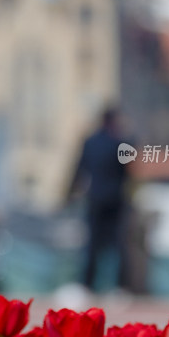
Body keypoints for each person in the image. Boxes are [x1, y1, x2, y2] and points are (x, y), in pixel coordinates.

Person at [67, 107, 132, 291]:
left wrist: (68, 195)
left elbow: (78, 169)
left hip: (94, 198)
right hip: (115, 200)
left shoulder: (90, 142)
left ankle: (87, 284)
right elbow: (128, 168)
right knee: (118, 244)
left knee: (91, 245)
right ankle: (119, 285)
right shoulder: (118, 143)